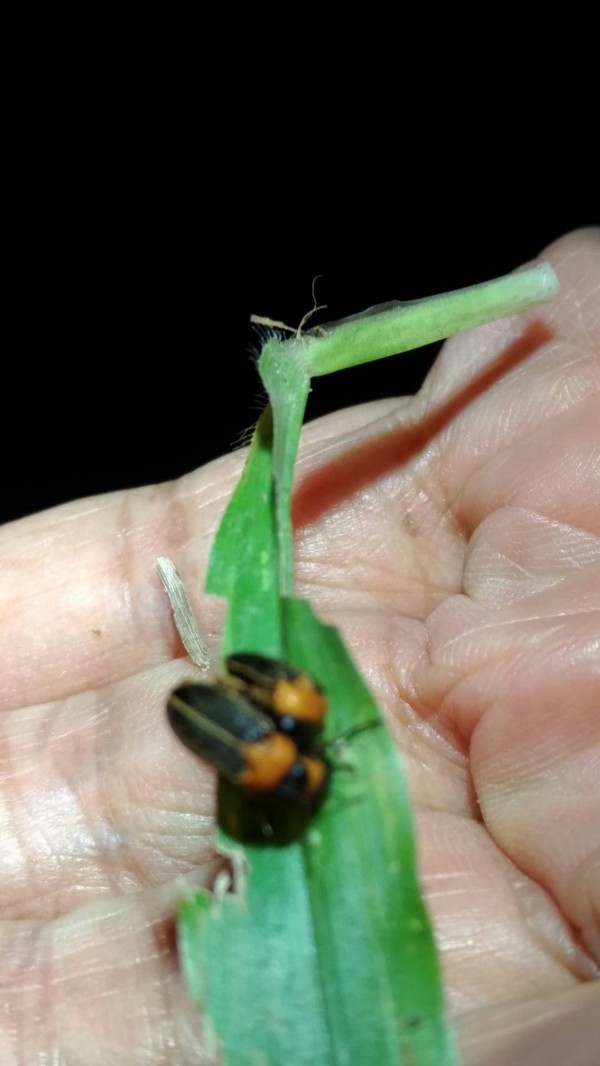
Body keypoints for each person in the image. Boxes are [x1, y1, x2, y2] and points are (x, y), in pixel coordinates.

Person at [0, 229, 597, 1065]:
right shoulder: (288, 743)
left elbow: (276, 724)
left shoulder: (295, 730)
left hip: (232, 712)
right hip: (228, 715)